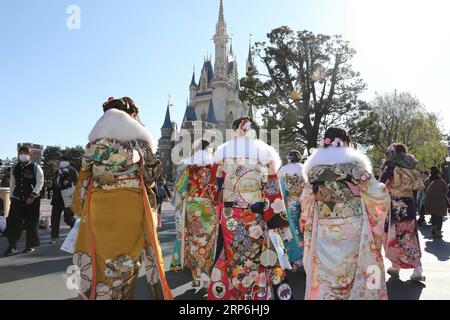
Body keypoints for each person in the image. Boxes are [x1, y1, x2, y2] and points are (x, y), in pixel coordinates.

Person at [71, 97, 173, 300]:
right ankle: (121, 295)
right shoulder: (140, 142)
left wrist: (79, 206)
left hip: (99, 209)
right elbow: (152, 177)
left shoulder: (94, 144)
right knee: (125, 260)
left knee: (99, 257)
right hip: (130, 209)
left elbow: (83, 179)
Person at [208, 117, 294, 301]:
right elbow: (272, 192)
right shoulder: (263, 157)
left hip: (230, 216)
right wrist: (279, 224)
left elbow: (213, 187)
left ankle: (238, 295)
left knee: (234, 258)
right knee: (254, 260)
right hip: (255, 215)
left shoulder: (222, 156)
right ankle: (254, 296)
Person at [300, 127, 390, 300]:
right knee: (353, 269)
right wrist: (383, 189)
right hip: (352, 227)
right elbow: (376, 192)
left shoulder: (313, 170)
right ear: (346, 142)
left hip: (324, 230)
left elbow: (305, 200)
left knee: (327, 275)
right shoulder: (354, 167)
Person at [170, 139, 220, 290]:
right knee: (209, 241)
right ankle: (206, 278)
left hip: (192, 207)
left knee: (194, 240)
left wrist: (178, 205)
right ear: (209, 149)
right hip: (209, 207)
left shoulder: (189, 167)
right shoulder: (214, 167)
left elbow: (180, 189)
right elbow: (218, 187)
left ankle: (196, 277)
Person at [381, 143, 425, 282]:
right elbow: (418, 185)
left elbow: (382, 184)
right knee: (409, 235)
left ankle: (396, 265)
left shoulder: (391, 167)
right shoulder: (411, 167)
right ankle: (416, 268)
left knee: (393, 236)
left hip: (395, 205)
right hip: (409, 203)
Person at [3, 146, 44, 256]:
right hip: (17, 200)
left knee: (31, 224)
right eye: (20, 153)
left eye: (25, 153)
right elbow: (12, 183)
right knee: (12, 223)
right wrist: (12, 197)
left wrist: (33, 195)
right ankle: (12, 246)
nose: (22, 155)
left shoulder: (35, 167)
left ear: (30, 155)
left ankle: (30, 245)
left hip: (32, 201)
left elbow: (40, 182)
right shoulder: (15, 168)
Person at [278, 150, 305, 270]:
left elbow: (280, 188)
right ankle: (307, 255)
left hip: (290, 202)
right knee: (304, 227)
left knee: (293, 228)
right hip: (305, 202)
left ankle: (295, 257)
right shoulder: (304, 168)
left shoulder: (283, 170)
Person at [49, 156, 78, 244]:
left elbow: (77, 182)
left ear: (68, 162)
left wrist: (67, 182)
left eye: (65, 160)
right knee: (54, 218)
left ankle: (77, 232)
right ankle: (55, 237)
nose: (63, 162)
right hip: (57, 198)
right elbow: (54, 182)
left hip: (68, 198)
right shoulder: (57, 171)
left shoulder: (73, 170)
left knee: (68, 219)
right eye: (61, 160)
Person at [424, 166, 449, 239]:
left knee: (434, 215)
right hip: (440, 201)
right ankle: (438, 232)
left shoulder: (427, 180)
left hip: (429, 201)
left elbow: (423, 187)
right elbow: (446, 191)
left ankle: (433, 229)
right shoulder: (441, 181)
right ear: (438, 173)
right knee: (439, 216)